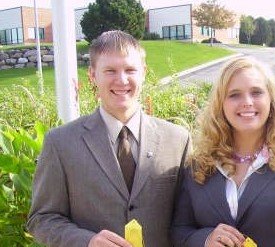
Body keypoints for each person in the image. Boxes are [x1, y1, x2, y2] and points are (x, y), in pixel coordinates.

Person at [27, 30, 191, 247]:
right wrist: (87, 242)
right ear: (93, 75)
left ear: (144, 72)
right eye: (110, 70)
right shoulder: (60, 143)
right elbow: (42, 219)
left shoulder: (178, 140)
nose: (121, 80)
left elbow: (189, 219)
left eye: (130, 70)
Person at [171, 57, 275, 247]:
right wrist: (205, 240)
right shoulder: (199, 163)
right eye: (234, 95)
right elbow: (179, 231)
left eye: (256, 92)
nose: (247, 102)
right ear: (221, 103)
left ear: (271, 100)